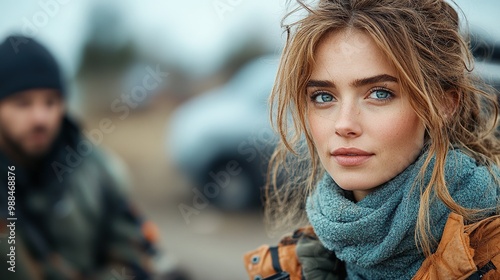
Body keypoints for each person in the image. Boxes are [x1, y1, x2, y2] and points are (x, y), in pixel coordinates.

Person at [244, 0, 500, 279]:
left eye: (379, 93)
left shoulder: (491, 254)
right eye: (323, 97)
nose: (344, 125)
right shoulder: (290, 268)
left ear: (442, 105)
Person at [0, 35, 158, 280]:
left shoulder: (97, 171)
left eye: (51, 102)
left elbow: (136, 257)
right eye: (23, 104)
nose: (40, 118)